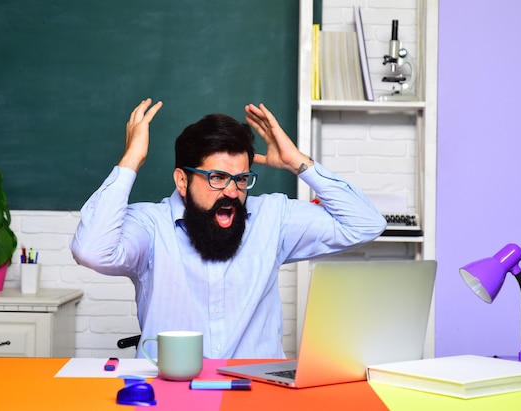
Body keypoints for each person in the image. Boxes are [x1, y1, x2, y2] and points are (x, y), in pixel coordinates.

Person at [71, 98, 386, 359]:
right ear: (182, 180)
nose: (232, 192)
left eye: (241, 179)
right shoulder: (151, 225)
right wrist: (131, 160)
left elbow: (366, 224)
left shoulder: (272, 217)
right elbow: (92, 251)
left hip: (258, 394)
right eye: (217, 178)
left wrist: (296, 162)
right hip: (172, 394)